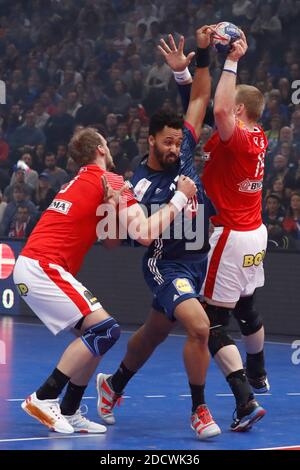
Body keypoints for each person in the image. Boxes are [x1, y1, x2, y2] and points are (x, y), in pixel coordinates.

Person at [13, 127, 196, 435]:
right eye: (106, 143)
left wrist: (111, 208)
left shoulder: (84, 182)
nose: (109, 147)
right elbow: (144, 233)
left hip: (35, 266)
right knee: (105, 329)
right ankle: (44, 396)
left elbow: (111, 241)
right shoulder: (109, 180)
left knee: (96, 337)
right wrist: (180, 198)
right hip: (44, 266)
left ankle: (70, 411)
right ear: (100, 149)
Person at [97, 27, 221, 440]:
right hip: (165, 261)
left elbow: (201, 98)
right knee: (199, 327)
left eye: (176, 142)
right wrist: (181, 201)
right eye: (167, 143)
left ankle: (112, 386)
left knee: (153, 333)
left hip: (198, 258)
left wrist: (200, 56)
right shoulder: (140, 186)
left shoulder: (183, 148)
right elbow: (142, 235)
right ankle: (200, 410)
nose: (174, 149)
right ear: (151, 141)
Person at [172, 30, 269, 430]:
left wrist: (231, 59)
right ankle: (259, 373)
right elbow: (195, 112)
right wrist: (184, 74)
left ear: (241, 107)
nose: (219, 108)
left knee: (209, 322)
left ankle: (244, 400)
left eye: (228, 104)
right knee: (244, 306)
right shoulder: (236, 140)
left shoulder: (241, 137)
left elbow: (223, 112)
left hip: (230, 234)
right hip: (252, 232)